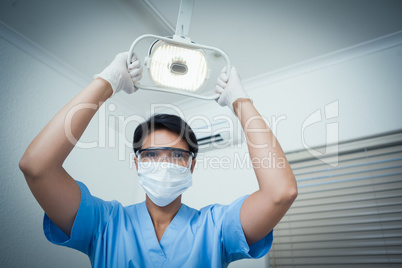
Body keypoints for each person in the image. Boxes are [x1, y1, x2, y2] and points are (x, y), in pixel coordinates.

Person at [19, 51, 298, 267]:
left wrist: (240, 101)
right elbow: (36, 167)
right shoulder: (104, 224)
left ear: (192, 165)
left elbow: (280, 193)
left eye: (177, 154)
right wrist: (107, 82)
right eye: (151, 154)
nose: (163, 163)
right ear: (137, 162)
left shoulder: (217, 229)